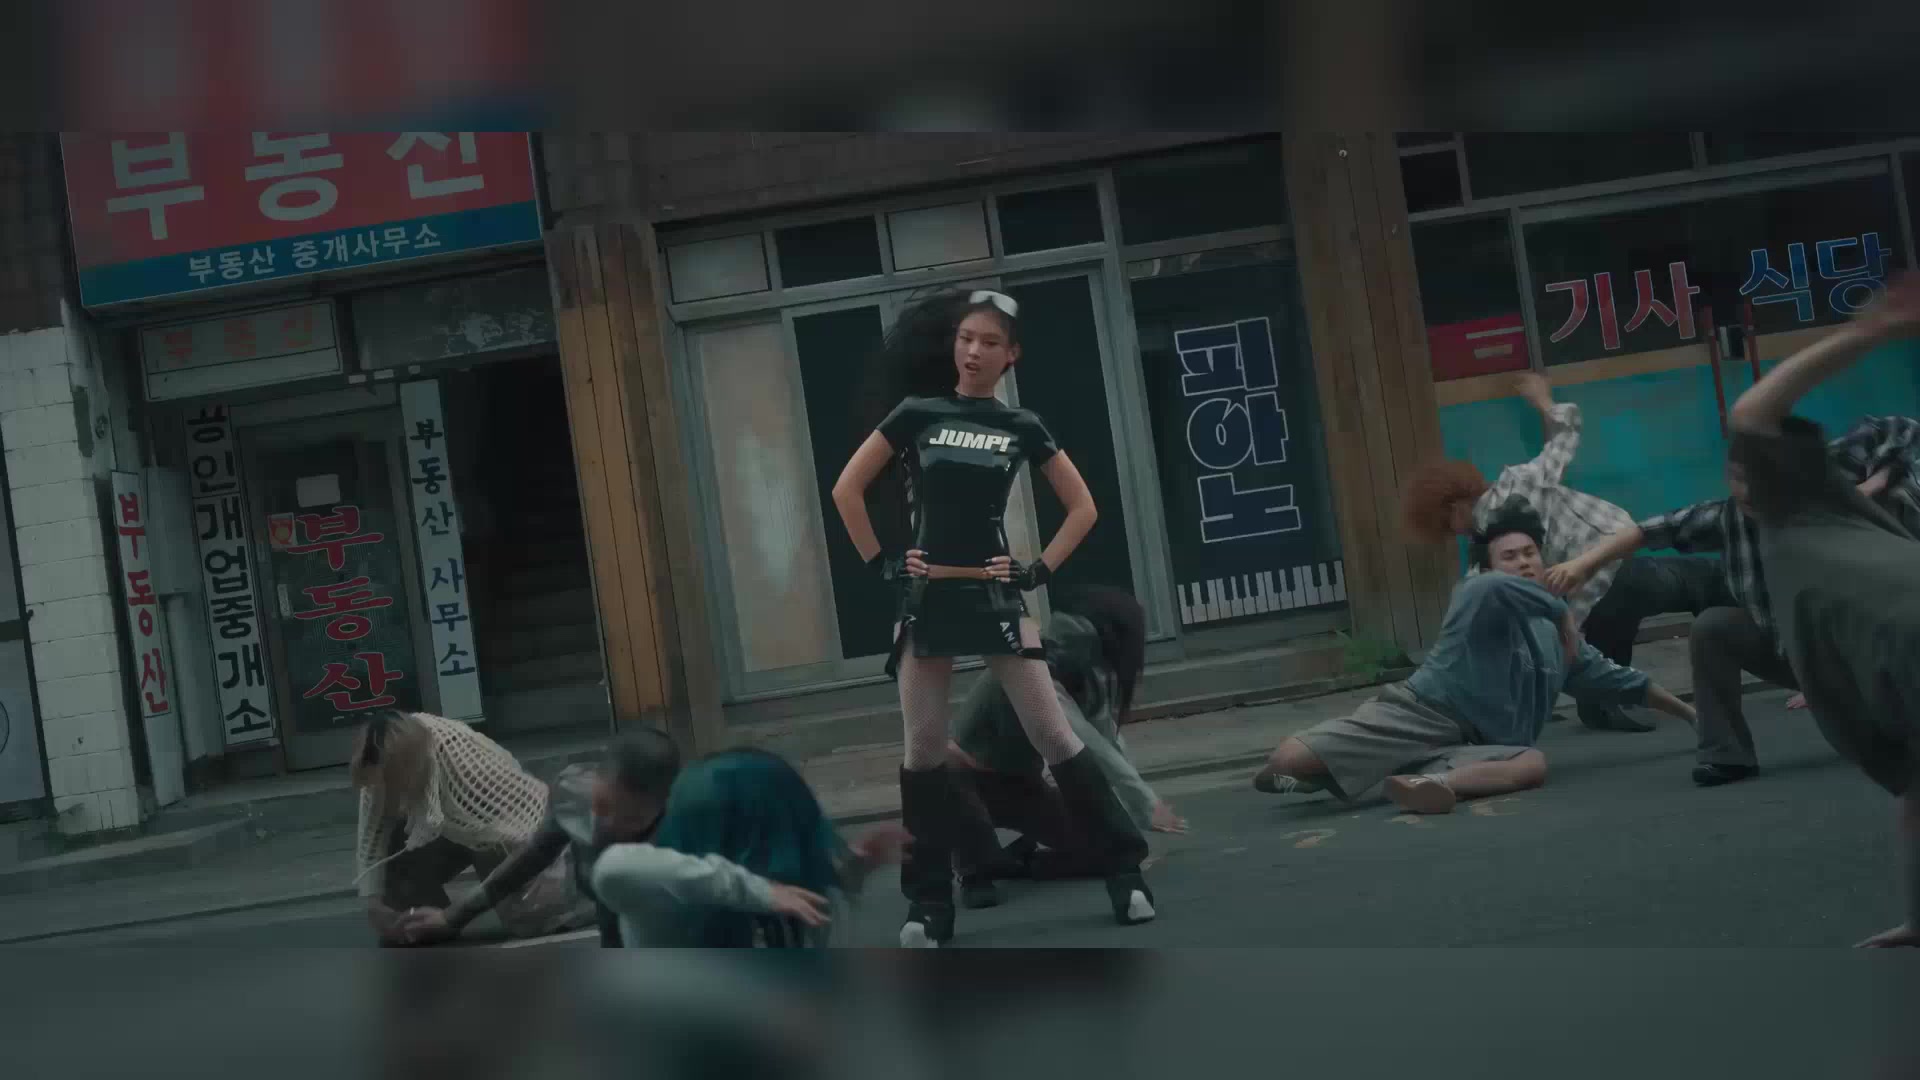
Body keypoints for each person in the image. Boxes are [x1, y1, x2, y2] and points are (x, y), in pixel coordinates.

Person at [829, 287, 1156, 947]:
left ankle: (1125, 873)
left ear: (1012, 356)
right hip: (927, 599)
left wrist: (1037, 570)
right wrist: (883, 563)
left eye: (989, 343)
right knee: (923, 753)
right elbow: (846, 489)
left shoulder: (1021, 425)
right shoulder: (915, 413)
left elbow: (1084, 507)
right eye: (966, 339)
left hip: (995, 596)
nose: (974, 351)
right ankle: (928, 905)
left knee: (1054, 736)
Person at [1253, 502, 1698, 814]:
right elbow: (1493, 588)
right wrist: (1562, 612)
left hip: (1477, 748)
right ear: (1487, 567)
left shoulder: (1558, 640)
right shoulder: (1475, 595)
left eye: (1531, 553)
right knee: (1286, 764)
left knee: (1532, 763)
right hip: (1418, 715)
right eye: (1510, 557)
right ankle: (1340, 771)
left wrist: (1692, 715)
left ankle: (1428, 783)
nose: (1524, 563)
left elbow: (1621, 680)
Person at [1722, 273, 1920, 949]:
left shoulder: (1805, 504)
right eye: (1735, 476)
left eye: (1748, 472)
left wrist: (1866, 334)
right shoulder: (1795, 533)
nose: (1741, 485)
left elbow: (1752, 412)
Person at [1542, 426, 1905, 787]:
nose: (1746, 491)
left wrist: (1870, 488)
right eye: (1737, 479)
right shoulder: (1728, 518)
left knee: (1890, 754)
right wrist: (1583, 565)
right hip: (1796, 655)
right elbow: (1647, 531)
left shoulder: (1836, 508)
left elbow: (1902, 433)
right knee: (1713, 627)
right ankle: (1726, 755)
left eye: (1757, 480)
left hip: (1866, 653)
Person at [1402, 371, 1717, 734]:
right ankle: (1618, 702)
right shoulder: (1501, 512)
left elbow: (1565, 436)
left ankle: (1610, 703)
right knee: (1693, 584)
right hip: (1604, 568)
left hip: (1601, 568)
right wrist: (1544, 403)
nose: (1452, 533)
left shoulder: (1505, 506)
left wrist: (1542, 401)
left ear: (1456, 507)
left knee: (1604, 630)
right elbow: (1564, 439)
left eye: (1447, 525)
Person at [944, 586, 1188, 910]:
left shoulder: (1089, 683)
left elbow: (1109, 744)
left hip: (1023, 787)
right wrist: (1145, 803)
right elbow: (1092, 746)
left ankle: (1018, 863)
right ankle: (973, 872)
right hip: (970, 781)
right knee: (948, 771)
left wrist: (1129, 816)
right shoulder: (1030, 675)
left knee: (1100, 851)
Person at [591, 747, 910, 948]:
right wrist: (761, 892)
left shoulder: (778, 893)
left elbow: (801, 890)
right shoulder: (652, 882)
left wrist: (854, 867)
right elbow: (616, 868)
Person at [393, 726, 682, 947]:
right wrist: (451, 917)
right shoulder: (573, 791)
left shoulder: (683, 832)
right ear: (599, 778)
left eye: (632, 818)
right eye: (604, 806)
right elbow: (533, 855)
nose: (612, 824)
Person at [352, 710, 592, 945]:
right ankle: (424, 922)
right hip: (444, 829)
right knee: (390, 893)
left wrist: (454, 916)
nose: (388, 790)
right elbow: (371, 840)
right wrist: (373, 903)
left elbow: (532, 847)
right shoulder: (376, 769)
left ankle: (573, 894)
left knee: (529, 917)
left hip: (505, 829)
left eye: (395, 782)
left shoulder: (465, 760)